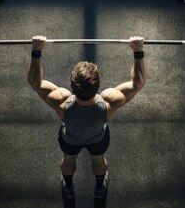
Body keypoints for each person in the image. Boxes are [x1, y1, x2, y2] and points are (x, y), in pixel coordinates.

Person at [27, 36, 146, 199]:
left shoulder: (60, 101)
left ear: (72, 84)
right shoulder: (110, 102)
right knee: (98, 160)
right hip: (98, 139)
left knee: (68, 160)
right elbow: (137, 83)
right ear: (98, 85)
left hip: (70, 139)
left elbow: (35, 82)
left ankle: (68, 186)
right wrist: (138, 51)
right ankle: (99, 187)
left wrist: (37, 51)